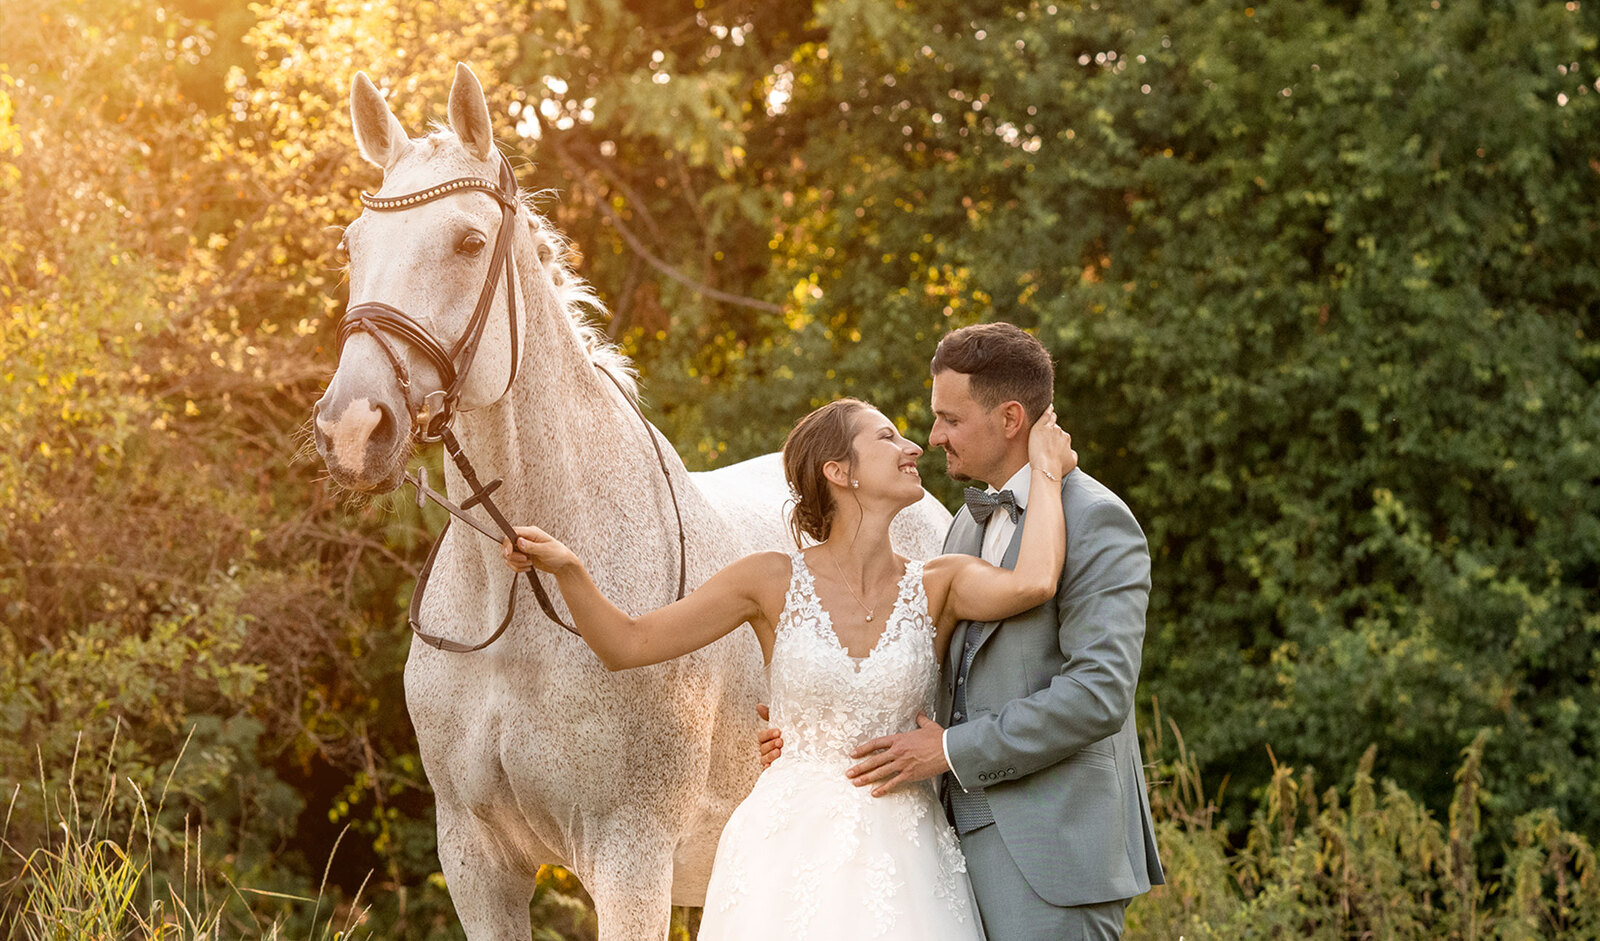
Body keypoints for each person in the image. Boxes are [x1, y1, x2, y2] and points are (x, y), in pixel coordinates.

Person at [501, 396, 1079, 941]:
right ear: (839, 471)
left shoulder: (941, 582)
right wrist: (569, 569)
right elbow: (625, 643)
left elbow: (1034, 581)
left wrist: (1046, 470)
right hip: (781, 853)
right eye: (887, 436)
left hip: (907, 857)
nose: (913, 447)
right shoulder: (768, 579)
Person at [760, 323, 1165, 940]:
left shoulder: (1097, 521)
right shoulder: (964, 530)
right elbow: (932, 677)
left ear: (1008, 418)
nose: (933, 437)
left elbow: (1098, 694)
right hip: (944, 855)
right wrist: (814, 729)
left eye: (949, 418)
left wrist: (951, 751)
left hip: (1053, 855)